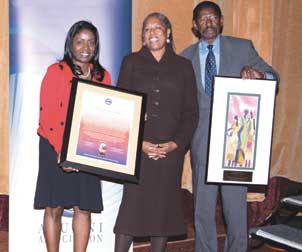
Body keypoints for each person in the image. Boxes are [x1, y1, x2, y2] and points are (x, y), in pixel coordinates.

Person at [181, 1, 279, 252]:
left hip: (236, 142)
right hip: (201, 139)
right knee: (202, 208)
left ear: (221, 21)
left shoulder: (242, 48)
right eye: (203, 19)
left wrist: (260, 76)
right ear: (195, 25)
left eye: (213, 17)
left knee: (235, 208)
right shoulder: (185, 58)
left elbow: (273, 77)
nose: (209, 22)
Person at [114, 12, 198, 252]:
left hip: (170, 154)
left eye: (158, 28)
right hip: (138, 151)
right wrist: (139, 143)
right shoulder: (130, 62)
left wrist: (176, 144)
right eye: (147, 29)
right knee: (129, 214)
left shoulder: (184, 66)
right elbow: (122, 107)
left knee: (162, 216)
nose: (153, 33)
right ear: (142, 37)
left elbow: (191, 113)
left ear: (168, 33)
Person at [34, 20, 111, 252]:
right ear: (71, 44)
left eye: (90, 42)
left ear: (96, 45)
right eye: (79, 42)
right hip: (54, 147)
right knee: (53, 207)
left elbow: (107, 116)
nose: (85, 47)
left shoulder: (102, 75)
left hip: (87, 148)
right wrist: (63, 153)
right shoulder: (55, 72)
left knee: (83, 207)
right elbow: (46, 116)